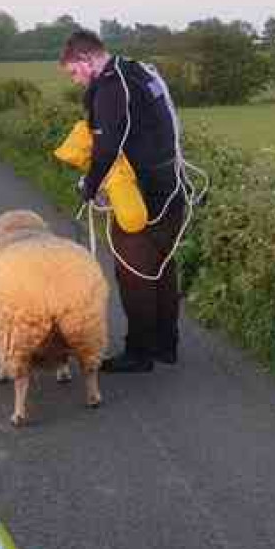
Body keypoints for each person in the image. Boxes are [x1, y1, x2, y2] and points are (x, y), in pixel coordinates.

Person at [60, 30, 185, 373]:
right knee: (163, 265)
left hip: (141, 193)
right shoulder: (141, 71)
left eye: (74, 72)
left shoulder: (112, 87)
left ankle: (139, 353)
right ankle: (166, 344)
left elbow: (106, 147)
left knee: (133, 271)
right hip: (172, 186)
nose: (75, 80)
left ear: (86, 60)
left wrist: (89, 185)